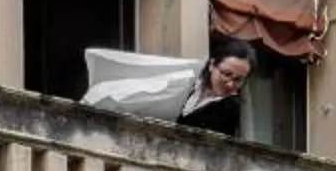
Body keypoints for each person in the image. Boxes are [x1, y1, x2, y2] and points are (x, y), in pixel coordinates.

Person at [80, 38, 262, 132]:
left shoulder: (230, 108)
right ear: (212, 65)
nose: (230, 83)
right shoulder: (186, 82)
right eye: (226, 74)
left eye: (238, 80)